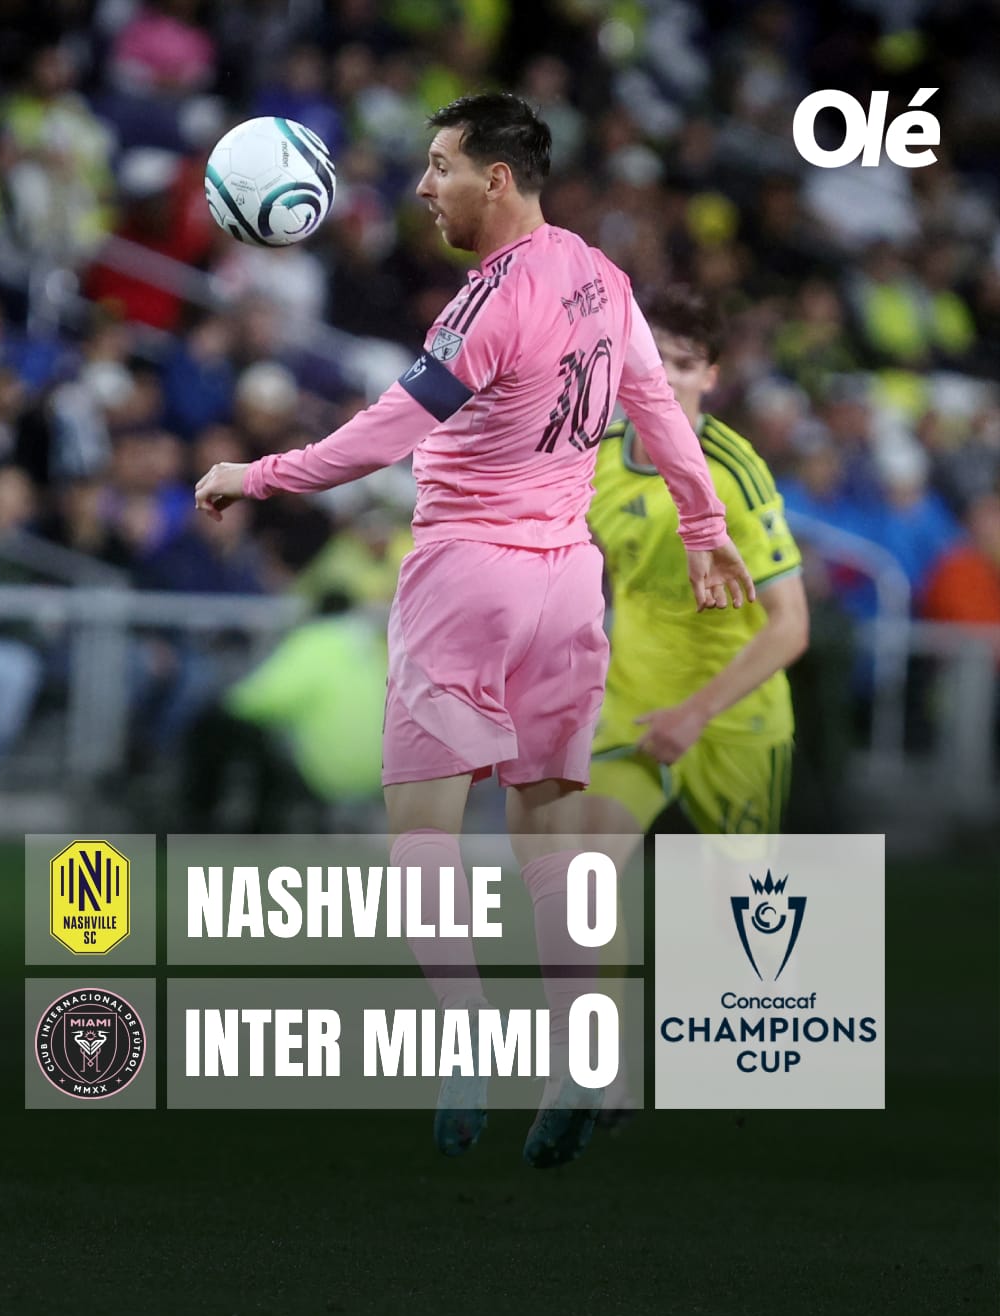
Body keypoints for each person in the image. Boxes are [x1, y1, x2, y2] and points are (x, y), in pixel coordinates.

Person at [196, 95, 754, 1168]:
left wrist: (255, 474)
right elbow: (655, 404)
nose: (423, 187)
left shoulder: (488, 301)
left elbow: (383, 435)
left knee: (422, 833)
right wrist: (703, 525)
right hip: (569, 586)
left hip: (467, 575)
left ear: (496, 179)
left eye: (440, 165)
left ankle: (464, 1045)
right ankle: (583, 1052)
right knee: (550, 840)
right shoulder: (603, 276)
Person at [583, 285, 809, 1123]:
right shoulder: (591, 455)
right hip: (633, 705)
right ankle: (602, 1074)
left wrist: (696, 714)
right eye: (652, 359)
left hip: (736, 715)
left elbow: (790, 627)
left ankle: (756, 1059)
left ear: (711, 376)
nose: (665, 378)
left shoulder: (737, 471)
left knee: (743, 922)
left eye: (684, 364)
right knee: (587, 871)